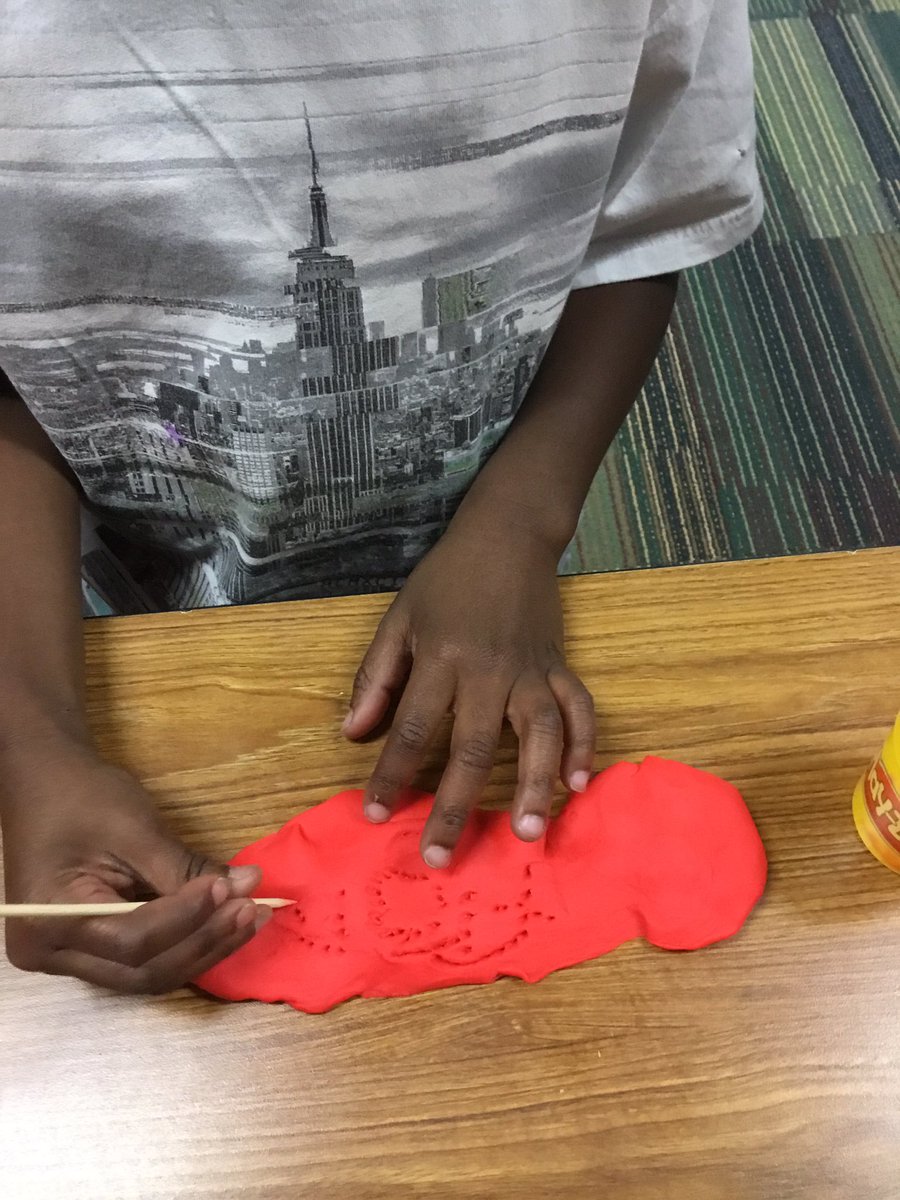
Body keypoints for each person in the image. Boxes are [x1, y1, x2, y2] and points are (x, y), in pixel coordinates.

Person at [0, 0, 762, 992]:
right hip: (112, 592)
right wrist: (33, 739)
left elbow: (645, 223)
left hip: (483, 539)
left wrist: (522, 519)